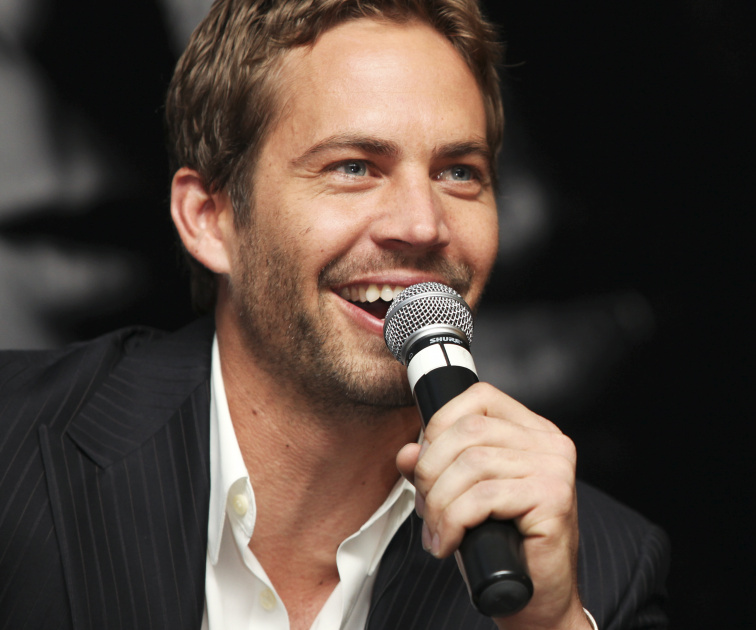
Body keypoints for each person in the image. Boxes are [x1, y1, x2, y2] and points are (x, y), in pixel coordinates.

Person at [0, 1, 669, 628]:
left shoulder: (598, 573)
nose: (423, 225)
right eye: (354, 166)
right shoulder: (13, 443)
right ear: (209, 219)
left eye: (459, 173)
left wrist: (544, 623)